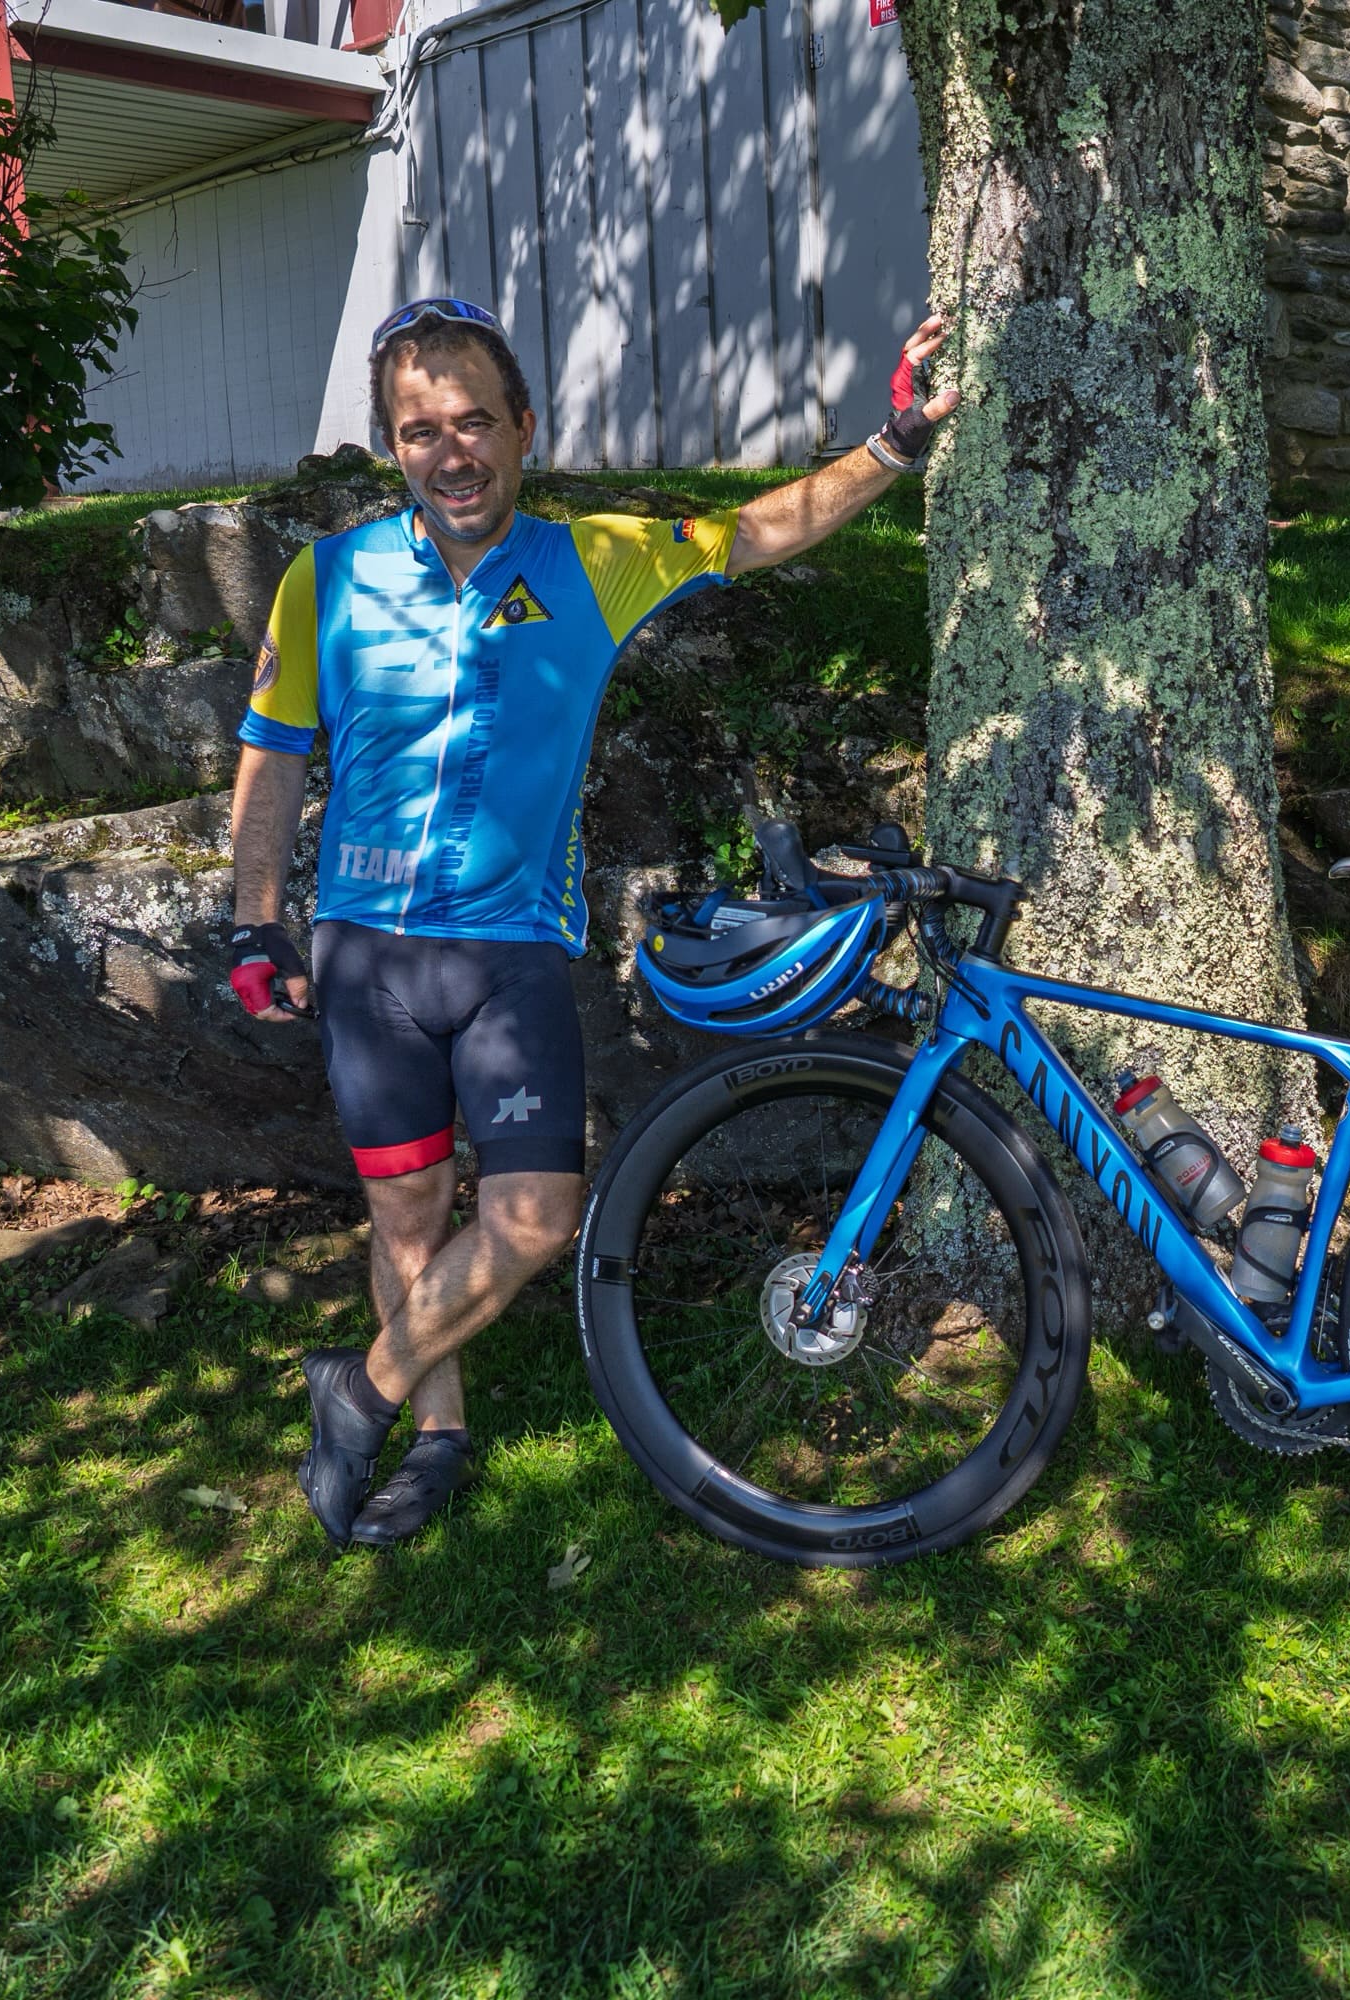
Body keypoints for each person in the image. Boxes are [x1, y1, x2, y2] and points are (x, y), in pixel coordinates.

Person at [226, 295, 958, 1548]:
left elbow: (755, 532)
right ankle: (436, 1436)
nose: (449, 452)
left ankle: (361, 1389)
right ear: (391, 446)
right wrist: (253, 922)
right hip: (365, 949)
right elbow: (274, 754)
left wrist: (891, 445)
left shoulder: (596, 559)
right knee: (405, 1218)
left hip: (512, 948)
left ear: (522, 427)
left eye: (472, 423)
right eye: (418, 431)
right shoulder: (328, 577)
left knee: (530, 1219)